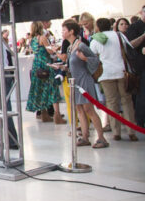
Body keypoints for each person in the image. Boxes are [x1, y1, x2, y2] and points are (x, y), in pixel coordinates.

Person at [60, 20, 108, 148]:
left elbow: (95, 60)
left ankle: (101, 138)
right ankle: (85, 137)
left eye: (64, 30)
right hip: (75, 82)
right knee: (80, 109)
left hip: (84, 81)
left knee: (89, 109)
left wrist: (85, 58)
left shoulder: (80, 46)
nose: (62, 32)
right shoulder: (71, 47)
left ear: (71, 31)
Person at [91, 18, 138, 142]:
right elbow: (128, 49)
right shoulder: (119, 35)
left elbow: (93, 56)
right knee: (126, 101)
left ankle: (116, 132)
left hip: (105, 74)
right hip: (121, 71)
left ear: (98, 27)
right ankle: (131, 131)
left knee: (112, 102)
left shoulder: (96, 39)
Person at [26, 21, 65, 124]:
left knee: (41, 89)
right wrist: (56, 48)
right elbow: (50, 51)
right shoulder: (42, 38)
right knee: (52, 88)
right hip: (46, 64)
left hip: (36, 65)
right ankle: (57, 115)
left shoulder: (31, 39)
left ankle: (44, 114)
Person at [125, 5, 145, 126]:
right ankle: (141, 121)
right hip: (140, 67)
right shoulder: (134, 27)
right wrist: (143, 36)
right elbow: (131, 44)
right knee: (142, 94)